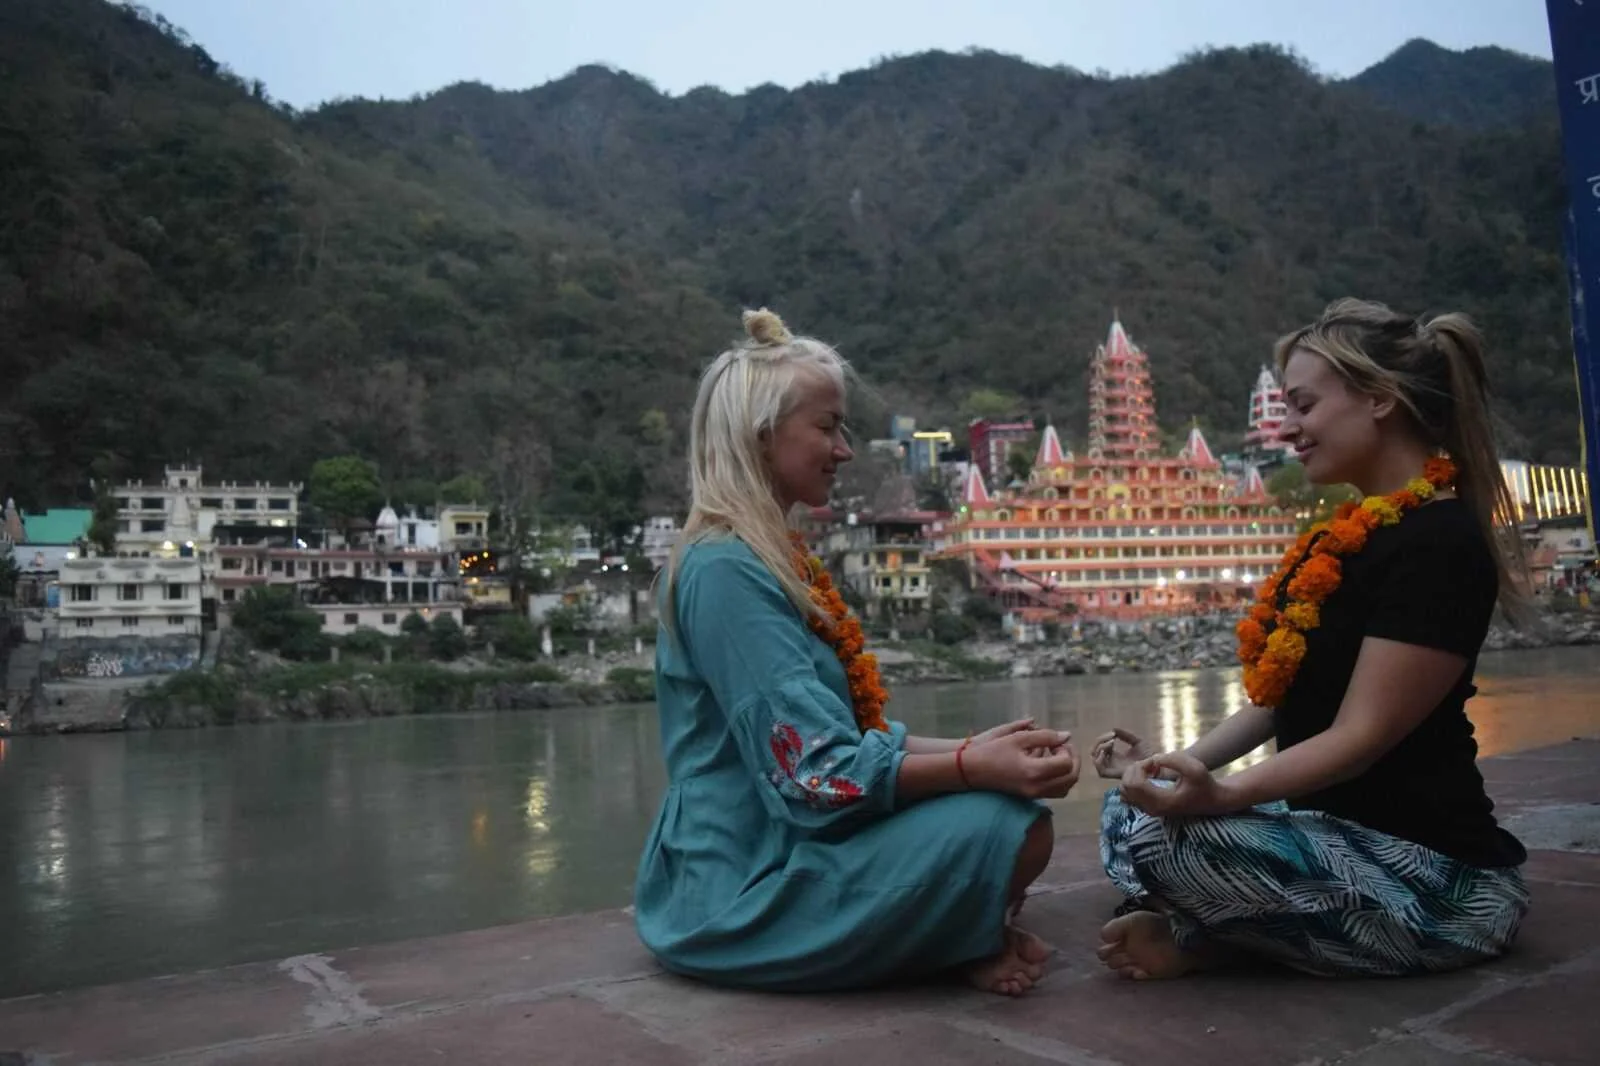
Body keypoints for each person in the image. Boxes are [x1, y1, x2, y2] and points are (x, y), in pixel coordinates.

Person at [633, 308, 1080, 996]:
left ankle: (947, 931)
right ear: (761, 437)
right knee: (1007, 830)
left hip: (788, 846)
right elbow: (815, 776)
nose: (844, 449)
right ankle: (945, 938)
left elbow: (847, 739)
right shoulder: (726, 569)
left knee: (1001, 817)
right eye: (827, 426)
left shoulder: (765, 555)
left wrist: (978, 747)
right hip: (737, 890)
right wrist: (970, 768)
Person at [1090, 298, 1532, 980]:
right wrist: (1171, 768)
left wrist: (1220, 797)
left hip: (1435, 879)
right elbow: (1278, 704)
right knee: (1130, 814)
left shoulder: (1441, 545)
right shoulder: (1353, 536)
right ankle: (1234, 926)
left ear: (1379, 400)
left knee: (1171, 846)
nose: (1288, 428)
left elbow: (1362, 735)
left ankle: (1208, 936)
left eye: (1302, 405)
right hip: (1331, 842)